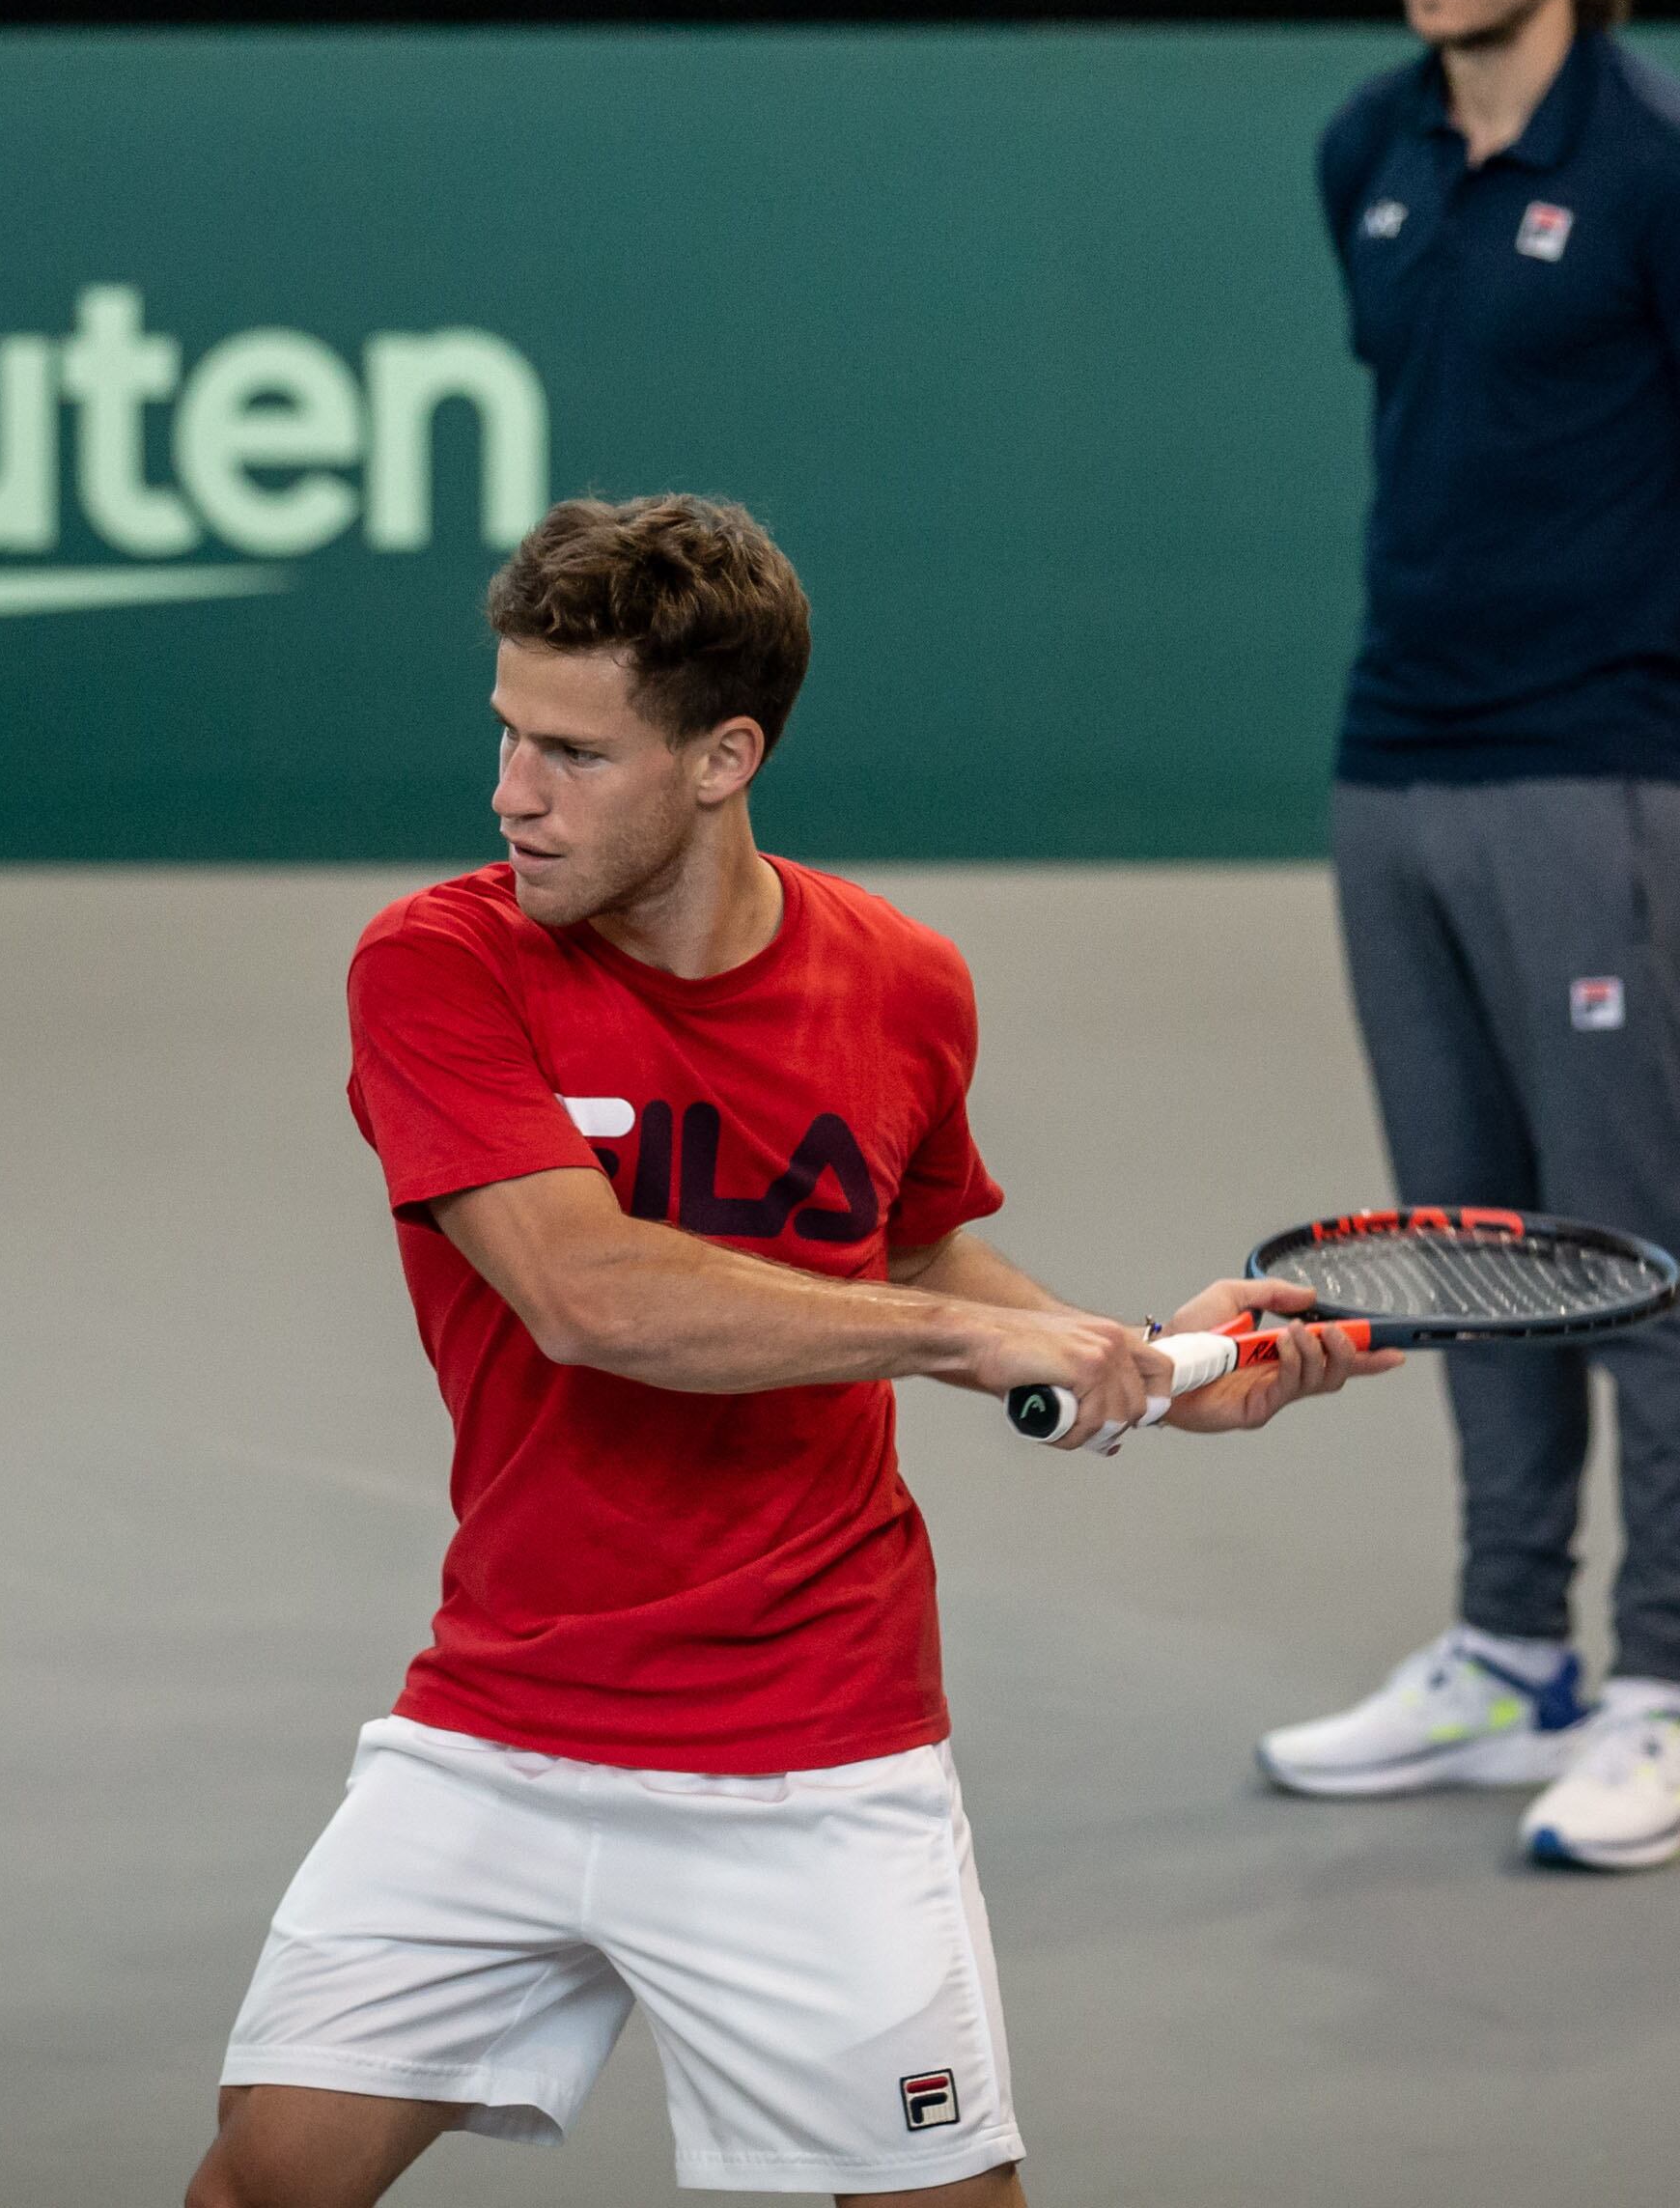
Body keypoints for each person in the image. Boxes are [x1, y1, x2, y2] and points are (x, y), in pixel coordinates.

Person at [186, 495, 1391, 2208]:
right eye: (508, 735)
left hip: (813, 1749)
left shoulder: (902, 983)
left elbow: (905, 1241)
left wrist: (1139, 1361)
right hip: (504, 1716)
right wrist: (963, 1340)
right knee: (263, 2186)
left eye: (575, 753)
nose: (511, 794)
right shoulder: (439, 967)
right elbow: (586, 1297)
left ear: (722, 756)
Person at [1258, 0, 1680, 1871]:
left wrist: (1583, 660)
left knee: (1635, 1246)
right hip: (1388, 767)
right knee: (1465, 1244)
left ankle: (1668, 1688)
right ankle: (1511, 1652)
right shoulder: (1363, 152)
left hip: (1601, 782)